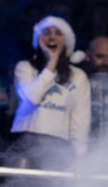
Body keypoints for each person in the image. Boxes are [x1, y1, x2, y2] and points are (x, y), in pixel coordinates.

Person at [9, 15, 91, 171]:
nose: (52, 37)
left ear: (66, 41)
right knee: (19, 184)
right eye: (46, 33)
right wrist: (51, 63)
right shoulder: (25, 68)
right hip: (24, 140)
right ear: (38, 39)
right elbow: (32, 98)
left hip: (57, 145)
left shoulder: (78, 76)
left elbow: (80, 121)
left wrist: (80, 157)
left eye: (58, 33)